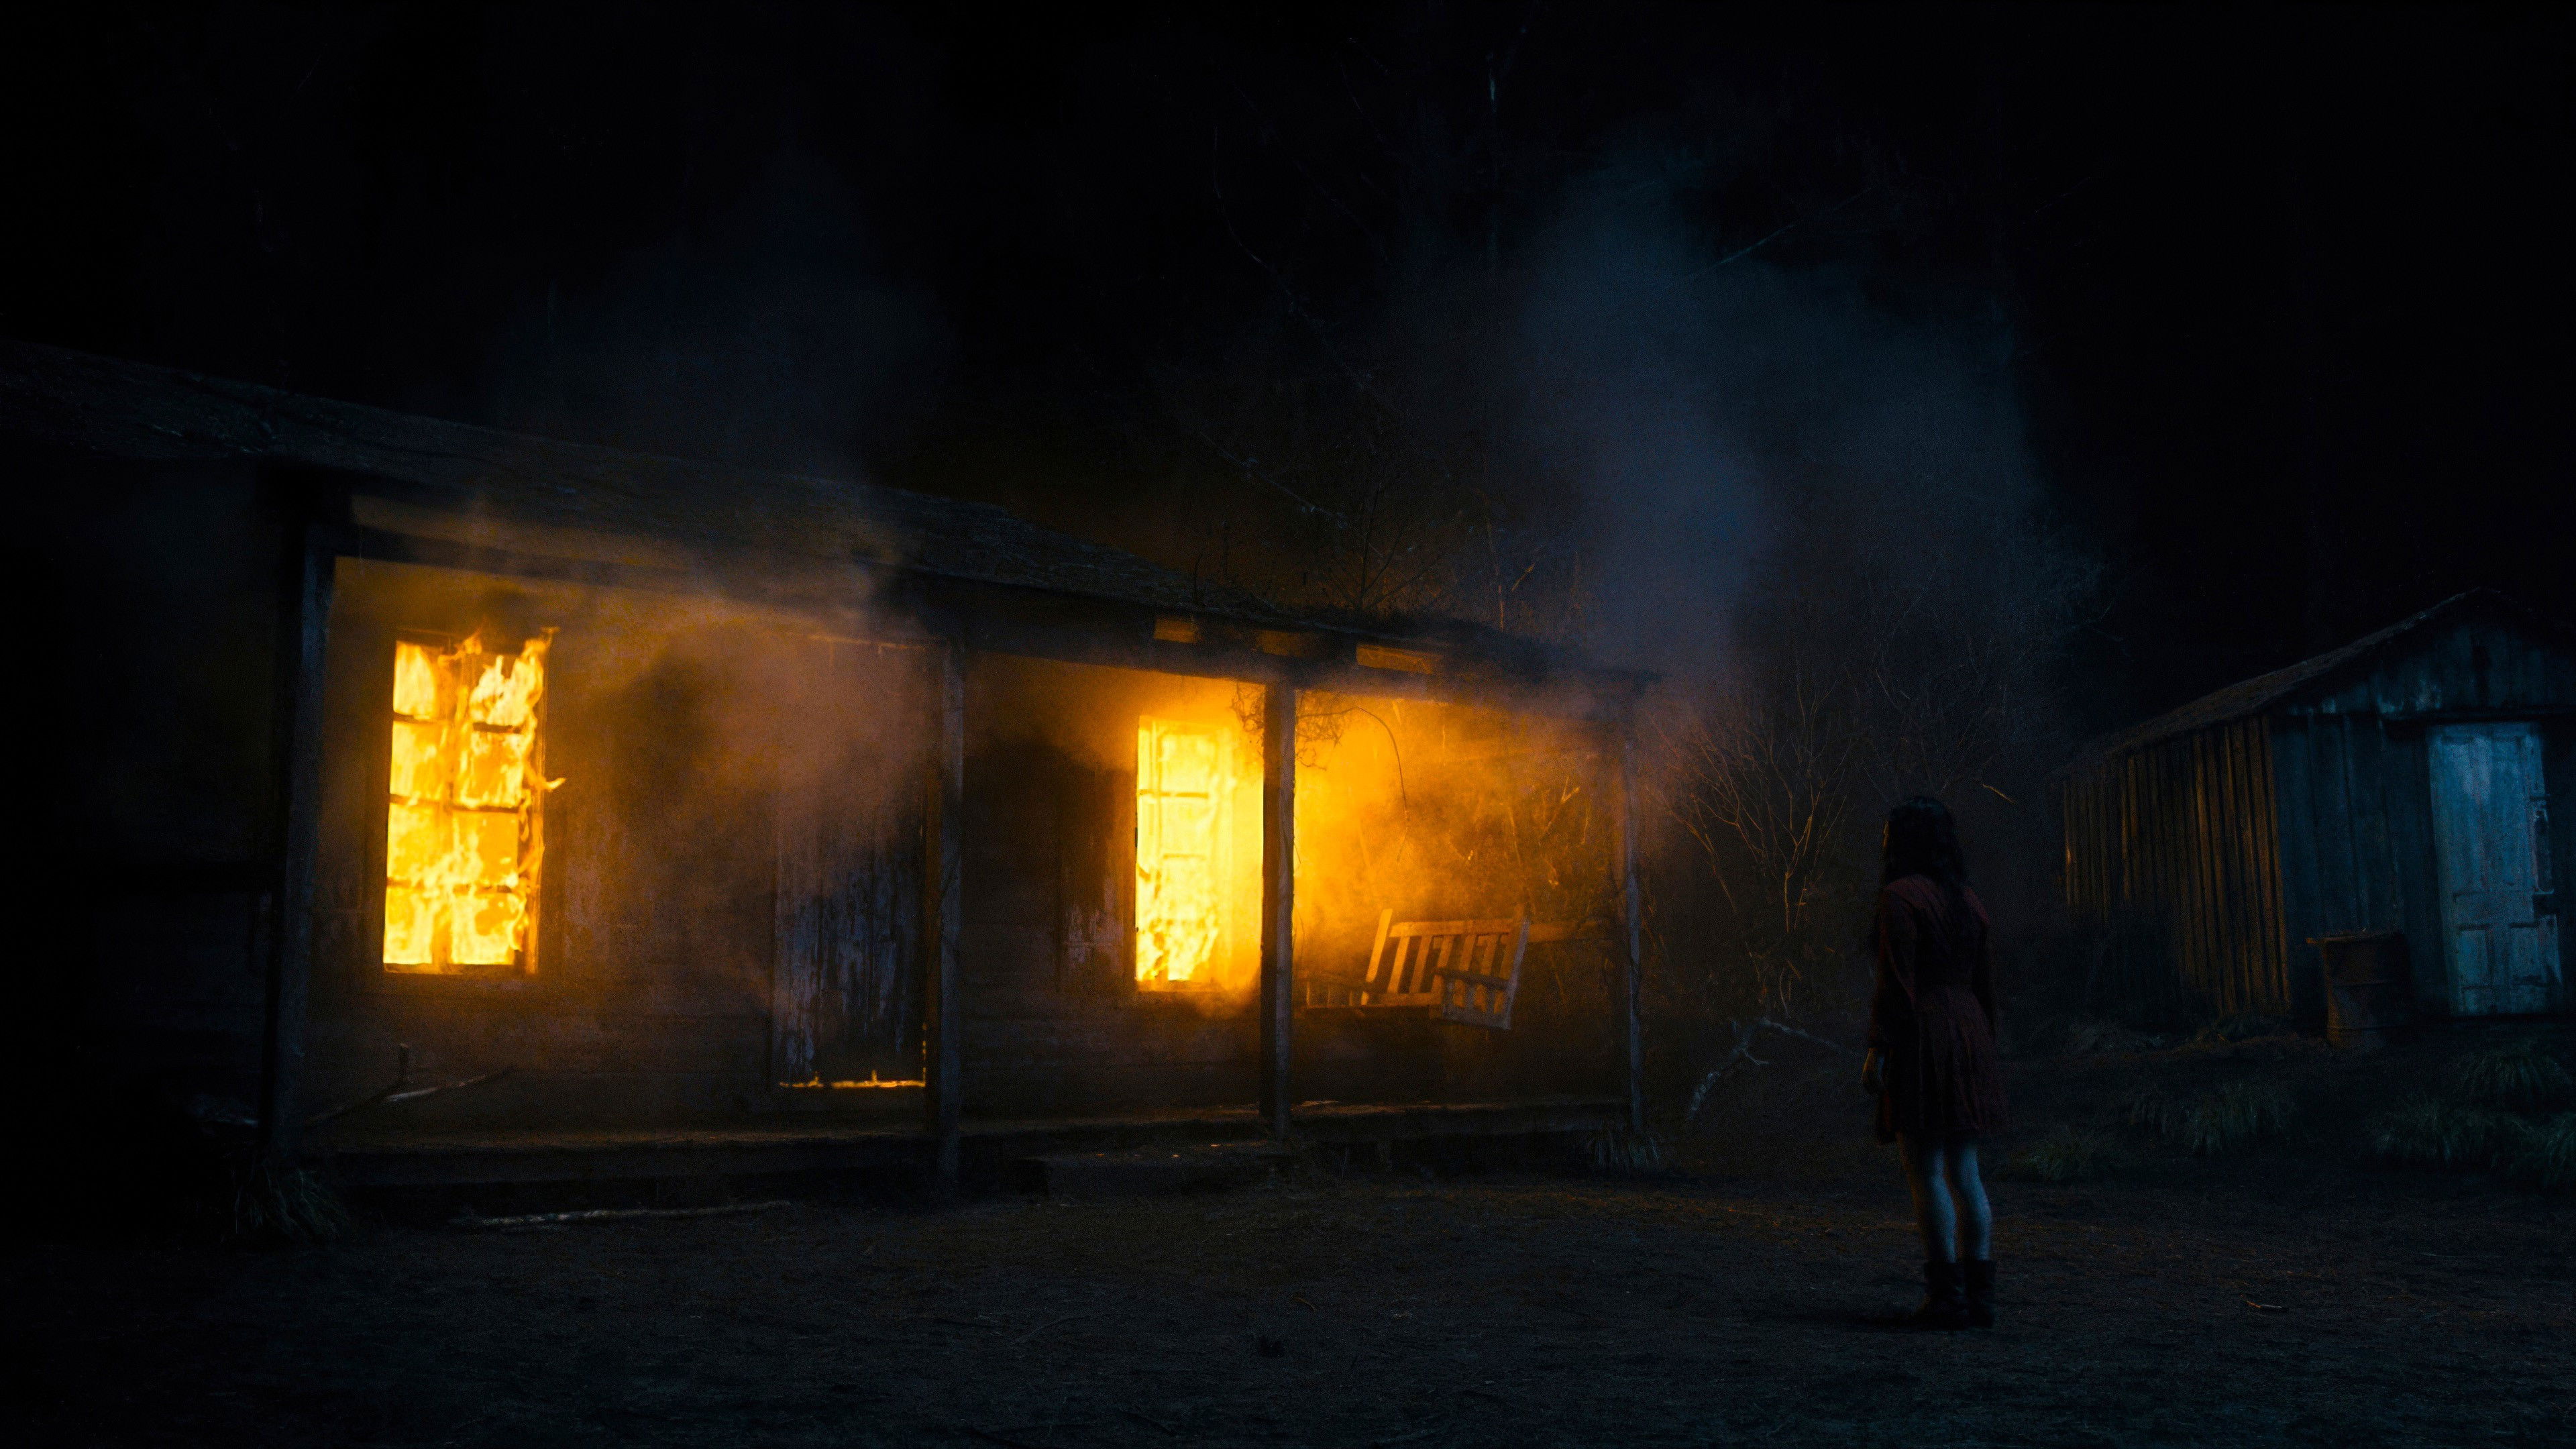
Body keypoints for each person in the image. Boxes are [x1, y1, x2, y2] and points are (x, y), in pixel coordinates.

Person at [1861, 796, 2006, 1330]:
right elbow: (1986, 986)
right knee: (1965, 1171)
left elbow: (1897, 984)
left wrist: (1879, 1047)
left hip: (1926, 1031)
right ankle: (1979, 1298)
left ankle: (1946, 1298)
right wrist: (1984, 1042)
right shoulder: (1970, 900)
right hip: (1969, 1029)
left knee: (1924, 1169)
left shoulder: (1900, 897)